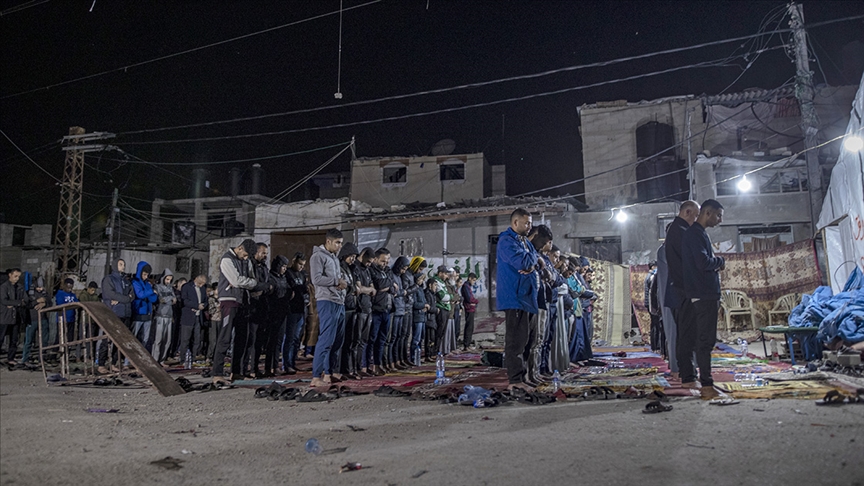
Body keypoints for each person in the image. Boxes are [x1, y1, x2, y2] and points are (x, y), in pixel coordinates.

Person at [680, 199, 726, 400]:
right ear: (707, 213)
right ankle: (707, 386)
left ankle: (705, 382)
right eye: (718, 215)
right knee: (705, 340)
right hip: (704, 293)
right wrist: (720, 262)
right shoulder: (695, 234)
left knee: (703, 339)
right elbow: (702, 262)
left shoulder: (696, 234)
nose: (719, 220)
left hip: (702, 292)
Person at [496, 208, 539, 392]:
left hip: (527, 299)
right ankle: (514, 380)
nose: (529, 226)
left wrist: (532, 261)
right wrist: (531, 262)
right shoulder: (506, 241)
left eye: (530, 223)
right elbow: (523, 263)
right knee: (515, 341)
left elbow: (534, 259)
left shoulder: (525, 243)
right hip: (514, 298)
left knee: (527, 340)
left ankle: (523, 376)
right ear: (515, 223)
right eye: (526, 223)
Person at [215, 239, 267, 384]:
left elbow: (250, 279)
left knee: (241, 339)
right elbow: (237, 280)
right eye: (244, 255)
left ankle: (236, 372)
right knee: (225, 338)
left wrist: (249, 283)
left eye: (247, 257)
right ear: (239, 248)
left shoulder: (247, 261)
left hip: (244, 301)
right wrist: (251, 283)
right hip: (229, 301)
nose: (246, 259)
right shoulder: (227, 259)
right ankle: (217, 373)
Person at [664, 201, 700, 378]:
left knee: (685, 334)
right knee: (686, 335)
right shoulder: (681, 231)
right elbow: (691, 263)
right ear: (687, 212)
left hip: (679, 291)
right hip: (683, 291)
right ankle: (687, 375)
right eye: (696, 215)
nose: (697, 220)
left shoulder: (678, 231)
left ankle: (686, 372)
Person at [309, 228, 347, 387]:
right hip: (327, 300)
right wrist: (336, 281)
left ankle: (329, 373)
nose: (339, 246)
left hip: (339, 302)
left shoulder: (335, 259)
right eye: (337, 243)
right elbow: (316, 279)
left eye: (341, 243)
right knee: (326, 340)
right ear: (328, 241)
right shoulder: (317, 256)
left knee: (337, 341)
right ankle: (316, 377)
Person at [99, 259, 133, 373]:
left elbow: (132, 295)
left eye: (124, 264)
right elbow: (109, 294)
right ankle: (101, 364)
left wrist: (122, 300)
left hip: (126, 313)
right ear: (115, 265)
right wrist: (125, 299)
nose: (123, 266)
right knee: (107, 339)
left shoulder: (126, 280)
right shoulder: (109, 279)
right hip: (113, 313)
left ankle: (114, 363)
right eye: (121, 264)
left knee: (120, 341)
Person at [245, 242, 271, 378]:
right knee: (251, 339)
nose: (265, 255)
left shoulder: (264, 267)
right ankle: (245, 369)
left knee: (259, 340)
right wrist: (265, 286)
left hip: (262, 306)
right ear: (255, 252)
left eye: (266, 253)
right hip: (252, 306)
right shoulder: (250, 265)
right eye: (263, 253)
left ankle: (255, 368)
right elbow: (252, 285)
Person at [656, 237, 679, 379]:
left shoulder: (664, 251)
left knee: (674, 335)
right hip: (673, 298)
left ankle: (676, 365)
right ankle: (677, 368)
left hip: (671, 297)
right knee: (674, 334)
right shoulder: (666, 251)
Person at [264, 255, 290, 377]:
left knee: (279, 341)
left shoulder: (283, 278)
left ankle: (275, 365)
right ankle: (269, 367)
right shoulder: (271, 277)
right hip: (273, 312)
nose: (284, 269)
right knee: (272, 341)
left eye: (286, 267)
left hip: (283, 311)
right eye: (283, 266)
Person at [282, 252, 309, 374]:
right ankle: (286, 364)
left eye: (303, 264)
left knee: (297, 339)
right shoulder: (288, 273)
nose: (301, 267)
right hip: (291, 310)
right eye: (300, 264)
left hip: (301, 309)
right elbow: (294, 287)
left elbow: (305, 288)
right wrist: (303, 288)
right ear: (294, 261)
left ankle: (292, 362)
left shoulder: (303, 274)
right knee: (289, 338)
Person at [369, 248, 394, 375]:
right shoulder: (372, 270)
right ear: (376, 259)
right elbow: (378, 284)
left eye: (388, 260)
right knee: (372, 338)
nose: (386, 263)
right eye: (383, 261)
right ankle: (368, 365)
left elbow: (394, 287)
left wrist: (388, 286)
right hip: (376, 309)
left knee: (382, 339)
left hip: (387, 309)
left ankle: (378, 364)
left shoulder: (388, 271)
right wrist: (388, 285)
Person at [337, 243, 360, 379]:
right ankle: (339, 370)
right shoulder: (340, 268)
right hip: (344, 307)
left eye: (354, 257)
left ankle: (347, 369)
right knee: (342, 341)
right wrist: (353, 289)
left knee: (350, 341)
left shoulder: (351, 269)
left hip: (352, 307)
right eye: (351, 256)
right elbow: (346, 287)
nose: (353, 259)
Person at [353, 247, 376, 376]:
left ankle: (362, 368)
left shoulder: (367, 270)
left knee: (364, 341)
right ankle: (356, 368)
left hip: (368, 308)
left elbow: (373, 288)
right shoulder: (356, 268)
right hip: (359, 308)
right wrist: (368, 290)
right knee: (357, 341)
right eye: (368, 261)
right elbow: (359, 288)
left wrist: (368, 289)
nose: (369, 264)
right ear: (362, 256)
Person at [22, 276, 51, 365]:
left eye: (41, 287)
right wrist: (37, 301)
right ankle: (25, 359)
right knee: (28, 341)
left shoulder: (45, 294)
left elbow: (50, 303)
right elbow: (26, 305)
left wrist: (44, 303)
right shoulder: (28, 293)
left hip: (43, 319)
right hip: (32, 319)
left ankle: (41, 358)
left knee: (44, 340)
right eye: (38, 287)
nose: (40, 289)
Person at [0, 268, 27, 365]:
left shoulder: (20, 287)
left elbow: (25, 300)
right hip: (5, 317)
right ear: (10, 275)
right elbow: (4, 301)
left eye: (18, 277)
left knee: (14, 339)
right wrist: (18, 303)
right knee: (1, 338)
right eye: (15, 276)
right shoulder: (4, 287)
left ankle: (11, 358)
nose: (17, 279)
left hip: (16, 317)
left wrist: (15, 304)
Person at [179, 274, 207, 363]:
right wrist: (196, 306)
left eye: (203, 284)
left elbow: (205, 300)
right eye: (200, 283)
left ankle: (193, 357)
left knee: (197, 339)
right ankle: (183, 359)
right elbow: (184, 300)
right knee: (185, 339)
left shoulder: (202, 289)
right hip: (188, 316)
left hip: (198, 317)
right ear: (196, 280)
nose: (201, 285)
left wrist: (203, 305)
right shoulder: (187, 287)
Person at [388, 256, 409, 369]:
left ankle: (398, 360)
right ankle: (390, 362)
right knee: (392, 337)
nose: (404, 271)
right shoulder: (392, 275)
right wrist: (403, 292)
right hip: (395, 309)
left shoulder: (399, 277)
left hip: (401, 309)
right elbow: (395, 293)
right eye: (403, 268)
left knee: (399, 337)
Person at [131, 262, 157, 351]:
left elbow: (153, 299)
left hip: (148, 314)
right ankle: (128, 360)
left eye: (147, 275)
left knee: (145, 339)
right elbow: (140, 295)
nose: (146, 276)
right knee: (133, 338)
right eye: (144, 274)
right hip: (138, 313)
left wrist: (151, 293)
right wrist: (151, 292)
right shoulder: (135, 282)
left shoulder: (147, 284)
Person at [151, 269, 176, 364]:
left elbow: (175, 300)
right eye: (167, 279)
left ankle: (162, 360)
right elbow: (161, 299)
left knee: (167, 341)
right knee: (158, 340)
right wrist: (169, 298)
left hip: (169, 316)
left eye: (170, 279)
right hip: (160, 316)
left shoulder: (170, 288)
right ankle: (155, 360)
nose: (168, 281)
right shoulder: (157, 287)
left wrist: (169, 299)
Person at [431, 265, 455, 355]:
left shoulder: (442, 282)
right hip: (441, 309)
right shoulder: (436, 281)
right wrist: (451, 297)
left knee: (442, 333)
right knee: (439, 332)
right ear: (440, 273)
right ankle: (434, 352)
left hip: (446, 309)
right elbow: (443, 296)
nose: (447, 276)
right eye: (445, 274)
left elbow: (450, 291)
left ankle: (437, 350)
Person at [411, 273, 429, 364]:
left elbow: (424, 301)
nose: (422, 281)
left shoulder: (421, 289)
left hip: (423, 316)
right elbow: (414, 304)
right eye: (420, 279)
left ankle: (419, 357)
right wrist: (423, 305)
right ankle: (413, 357)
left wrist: (426, 306)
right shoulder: (415, 289)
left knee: (421, 338)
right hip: (417, 317)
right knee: (416, 338)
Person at [460, 273, 479, 351]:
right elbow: (469, 299)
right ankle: (466, 345)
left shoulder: (468, 287)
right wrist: (475, 301)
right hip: (469, 308)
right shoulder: (465, 287)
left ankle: (468, 344)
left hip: (471, 308)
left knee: (470, 327)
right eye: (473, 280)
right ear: (470, 278)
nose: (473, 282)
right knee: (468, 327)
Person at [206, 283, 222, 364]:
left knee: (220, 339)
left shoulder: (221, 299)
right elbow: (210, 310)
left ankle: (217, 356)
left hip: (220, 320)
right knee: (213, 340)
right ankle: (209, 356)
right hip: (214, 320)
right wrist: (217, 307)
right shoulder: (211, 299)